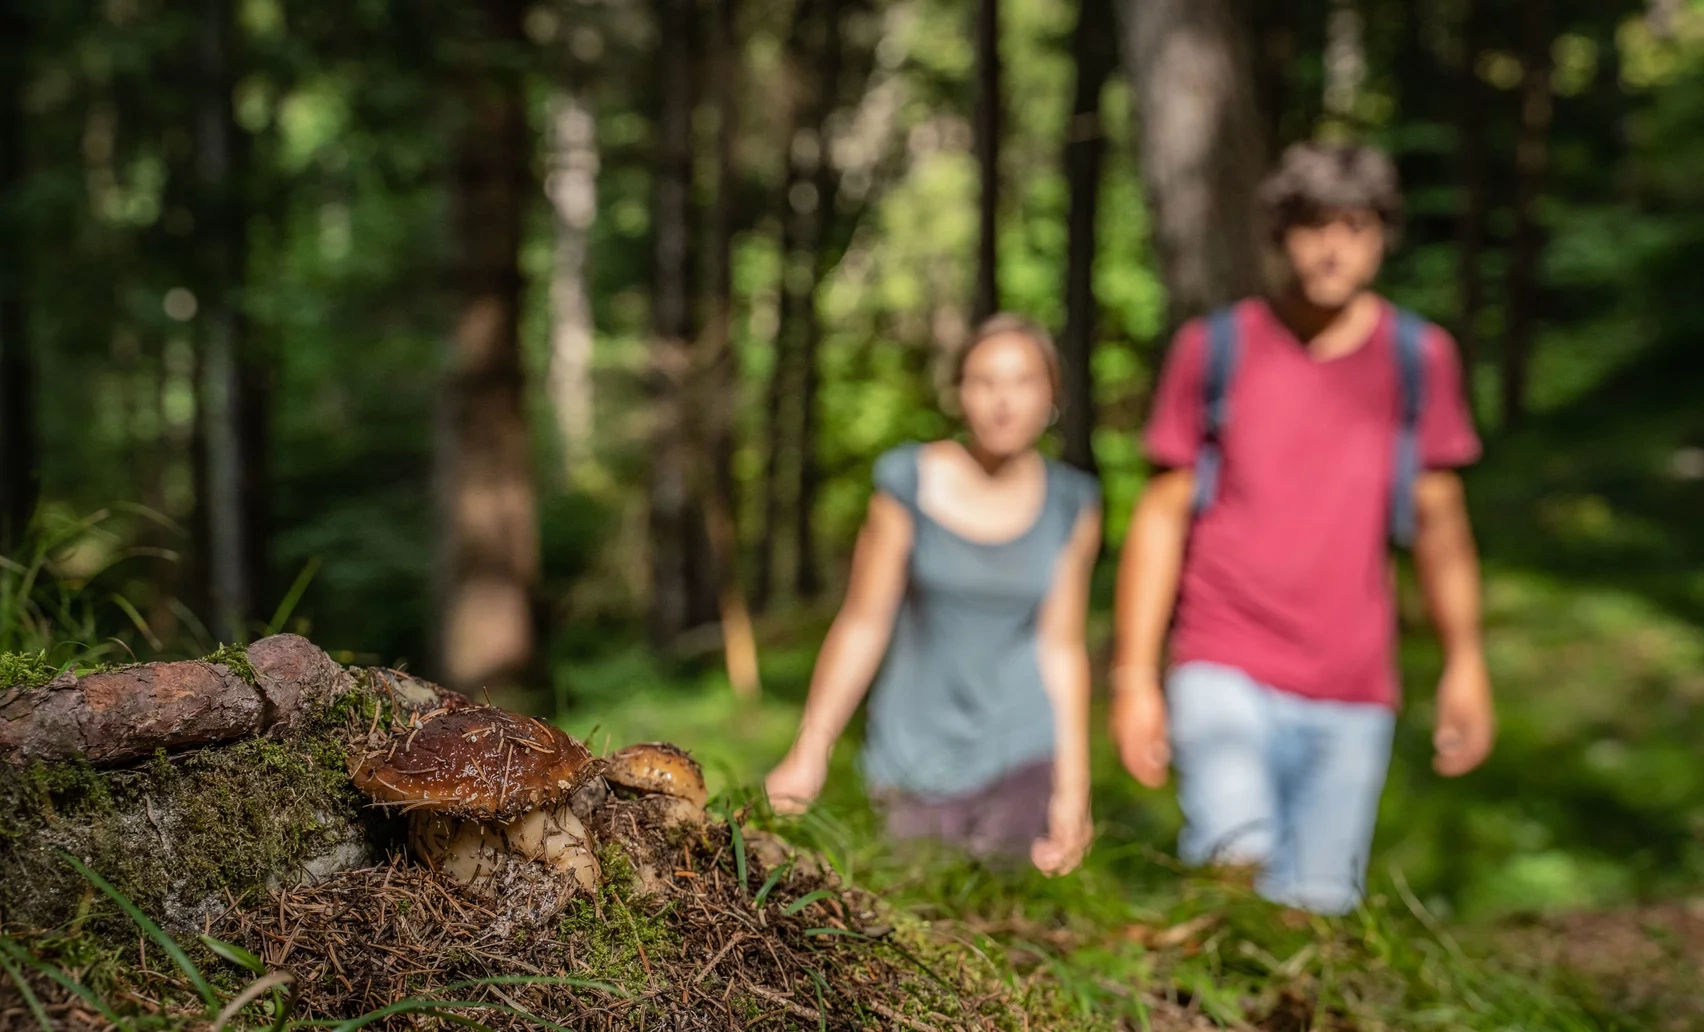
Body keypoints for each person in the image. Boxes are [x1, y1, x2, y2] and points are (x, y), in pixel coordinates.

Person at [1110, 142, 1495, 914]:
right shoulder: (1215, 349)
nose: (1332, 247)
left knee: (1316, 912)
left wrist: (1465, 661)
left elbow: (1440, 522)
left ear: (1383, 235)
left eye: (1355, 226)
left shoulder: (1420, 358)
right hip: (1223, 657)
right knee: (1234, 860)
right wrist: (1132, 679)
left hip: (1354, 683)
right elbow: (1159, 517)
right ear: (1280, 234)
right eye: (1312, 225)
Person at [764, 315, 1102, 875]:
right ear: (958, 392)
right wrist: (810, 750)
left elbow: (1061, 648)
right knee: (914, 927)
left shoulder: (1073, 503)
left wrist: (1074, 788)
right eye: (984, 381)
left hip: (1024, 752)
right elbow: (863, 623)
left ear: (1052, 395)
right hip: (913, 757)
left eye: (1023, 382)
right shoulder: (906, 483)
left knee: (1006, 932)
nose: (1003, 401)